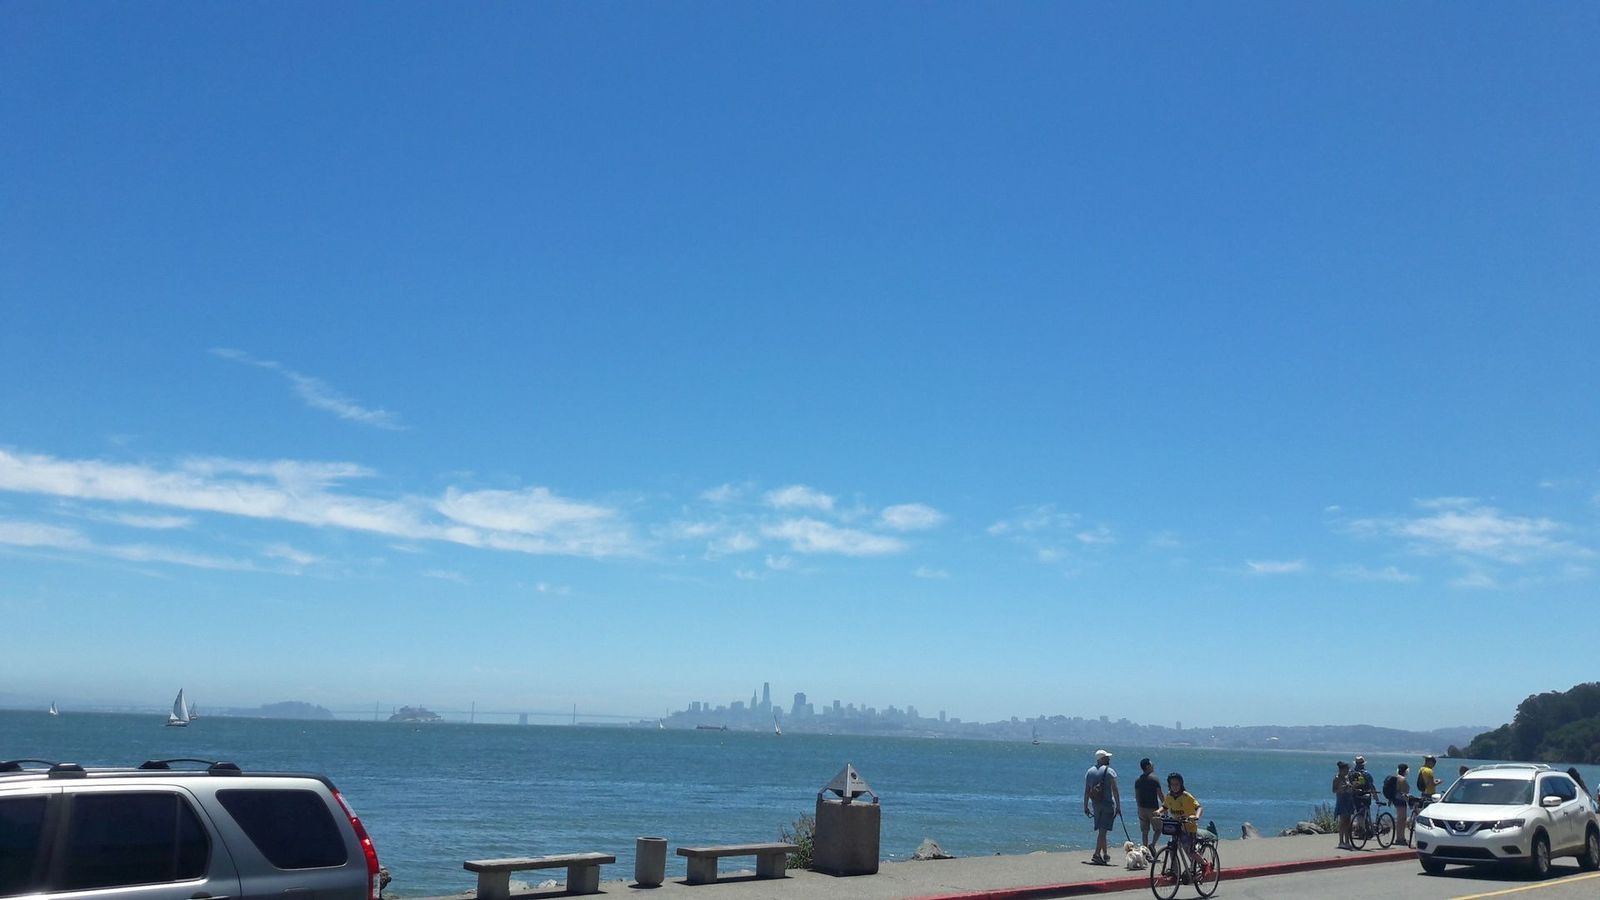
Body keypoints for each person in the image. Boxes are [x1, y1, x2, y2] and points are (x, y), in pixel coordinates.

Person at [1160, 772, 1207, 874]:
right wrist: (1158, 812)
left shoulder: (1186, 796)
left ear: (1181, 784)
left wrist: (1196, 816)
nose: (1174, 787)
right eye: (1172, 784)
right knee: (1172, 849)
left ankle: (1204, 864)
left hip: (1189, 828)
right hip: (1176, 827)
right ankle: (1175, 873)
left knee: (1190, 851)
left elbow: (1199, 807)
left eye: (1177, 784)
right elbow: (1165, 806)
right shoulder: (1169, 796)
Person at [1082, 749, 1121, 865]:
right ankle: (1096, 854)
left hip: (1096, 805)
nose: (1109, 759)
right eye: (1107, 757)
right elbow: (1115, 790)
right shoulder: (1110, 771)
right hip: (1107, 805)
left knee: (1101, 830)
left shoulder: (1090, 772)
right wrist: (1118, 806)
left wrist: (1085, 806)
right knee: (1103, 831)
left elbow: (1087, 791)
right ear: (1102, 759)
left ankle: (1105, 854)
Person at [1134, 758, 1163, 850]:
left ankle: (1145, 850)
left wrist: (1138, 808)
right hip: (1153, 808)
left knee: (1144, 831)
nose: (1153, 766)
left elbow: (1137, 796)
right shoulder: (1154, 779)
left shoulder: (1138, 780)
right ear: (1147, 766)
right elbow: (1160, 794)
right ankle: (1152, 844)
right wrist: (1165, 806)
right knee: (1159, 829)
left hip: (1141, 808)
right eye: (1151, 764)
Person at [1332, 761, 1355, 850]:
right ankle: (1341, 842)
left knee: (1348, 822)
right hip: (1342, 801)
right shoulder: (1337, 778)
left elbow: (1349, 787)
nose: (1348, 771)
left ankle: (1347, 841)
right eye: (1347, 769)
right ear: (1342, 769)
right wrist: (1341, 789)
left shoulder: (1346, 777)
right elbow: (1334, 790)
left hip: (1348, 800)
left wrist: (1352, 787)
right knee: (1343, 822)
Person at [1390, 763, 1411, 847]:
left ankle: (1400, 837)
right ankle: (1400, 838)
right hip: (1401, 800)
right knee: (1402, 820)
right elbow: (1405, 791)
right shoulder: (1403, 779)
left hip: (1395, 799)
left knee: (1400, 819)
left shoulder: (1395, 778)